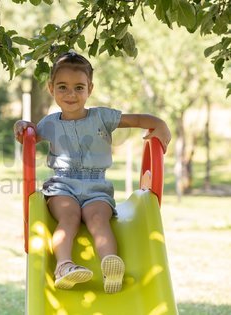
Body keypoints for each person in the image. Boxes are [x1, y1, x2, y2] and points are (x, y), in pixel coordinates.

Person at [14, 51, 171, 294]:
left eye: (79, 87)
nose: (71, 94)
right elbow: (28, 135)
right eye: (63, 87)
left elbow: (140, 119)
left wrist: (159, 124)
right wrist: (21, 126)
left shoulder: (102, 117)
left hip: (96, 187)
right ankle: (64, 266)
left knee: (98, 218)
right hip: (62, 186)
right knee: (69, 217)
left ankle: (111, 266)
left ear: (90, 88)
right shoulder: (49, 123)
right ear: (51, 87)